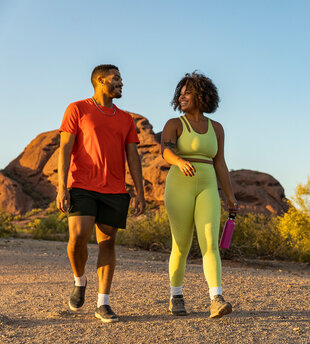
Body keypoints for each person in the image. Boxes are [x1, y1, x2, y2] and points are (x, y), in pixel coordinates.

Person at [56, 64, 145, 323]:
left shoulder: (126, 118)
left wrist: (139, 192)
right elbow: (64, 148)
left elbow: (133, 156)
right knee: (78, 236)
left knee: (107, 243)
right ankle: (79, 280)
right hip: (82, 185)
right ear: (100, 81)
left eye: (121, 78)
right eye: (116, 78)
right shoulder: (77, 109)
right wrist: (62, 186)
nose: (121, 83)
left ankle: (102, 303)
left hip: (115, 189)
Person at [161, 71, 237, 318]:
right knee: (181, 245)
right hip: (179, 185)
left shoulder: (217, 128)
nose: (182, 97)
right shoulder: (174, 124)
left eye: (188, 92)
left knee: (210, 243)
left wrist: (230, 196)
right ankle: (176, 295)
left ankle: (216, 297)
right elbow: (166, 151)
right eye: (180, 93)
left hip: (207, 187)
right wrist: (179, 161)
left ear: (201, 95)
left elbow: (220, 163)